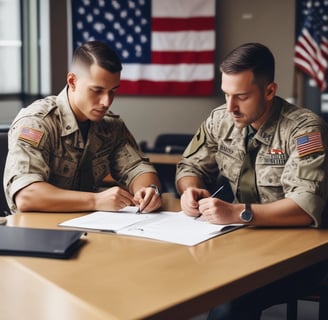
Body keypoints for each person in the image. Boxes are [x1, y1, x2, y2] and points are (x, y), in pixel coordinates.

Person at [175, 43, 328, 319]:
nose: (230, 107)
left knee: (229, 301)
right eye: (226, 94)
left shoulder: (305, 130)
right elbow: (189, 165)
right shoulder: (220, 119)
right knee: (173, 274)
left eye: (241, 96)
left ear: (270, 91)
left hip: (300, 253)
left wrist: (237, 212)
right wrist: (189, 190)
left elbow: (304, 208)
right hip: (241, 242)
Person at [4, 40, 162, 214]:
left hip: (90, 227)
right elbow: (26, 196)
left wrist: (148, 191)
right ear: (72, 81)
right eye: (97, 90)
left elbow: (138, 168)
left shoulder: (110, 125)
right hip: (39, 232)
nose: (106, 102)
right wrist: (96, 200)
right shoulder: (37, 122)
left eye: (113, 91)